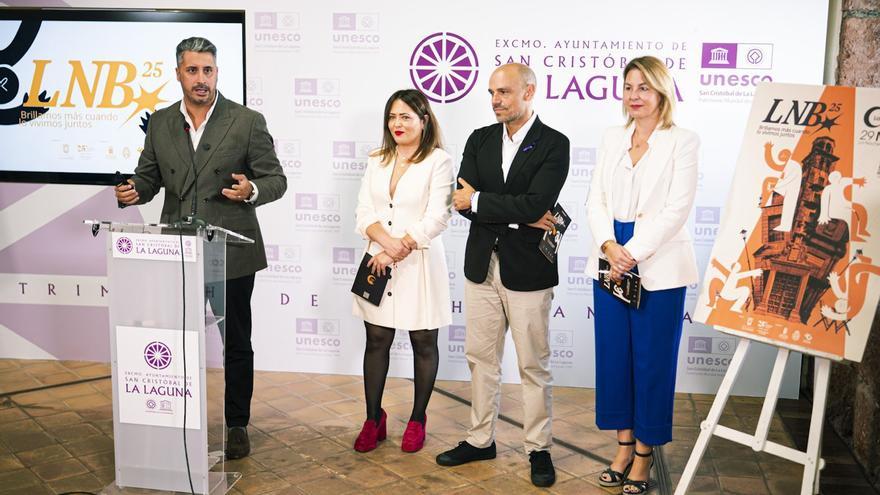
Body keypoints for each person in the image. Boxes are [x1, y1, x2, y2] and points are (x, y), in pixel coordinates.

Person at [114, 37, 287, 460]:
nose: (201, 79)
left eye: (207, 70)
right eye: (192, 70)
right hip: (176, 253)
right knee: (178, 340)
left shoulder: (246, 121)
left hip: (232, 252)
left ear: (217, 72)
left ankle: (237, 424)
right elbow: (148, 177)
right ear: (178, 73)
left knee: (237, 343)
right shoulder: (160, 123)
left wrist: (251, 190)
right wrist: (134, 190)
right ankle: (178, 416)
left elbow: (276, 180)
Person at [435, 63, 569, 488]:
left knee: (533, 365)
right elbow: (461, 202)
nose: (495, 100)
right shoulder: (480, 138)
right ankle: (480, 440)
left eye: (504, 92)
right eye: (492, 93)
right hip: (481, 266)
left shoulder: (555, 143)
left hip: (528, 269)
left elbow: (537, 205)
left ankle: (538, 448)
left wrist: (485, 202)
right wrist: (513, 212)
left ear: (529, 92)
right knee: (481, 359)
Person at [585, 55, 699, 494]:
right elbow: (595, 199)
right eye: (629, 87)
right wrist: (608, 246)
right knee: (614, 357)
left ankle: (645, 454)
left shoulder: (683, 141)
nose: (634, 95)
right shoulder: (611, 137)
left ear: (661, 91)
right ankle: (622, 447)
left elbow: (676, 209)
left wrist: (630, 252)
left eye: (644, 87)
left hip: (658, 263)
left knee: (652, 362)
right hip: (610, 255)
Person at [352, 89, 454, 453]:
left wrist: (399, 248)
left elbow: (438, 216)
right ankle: (372, 419)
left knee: (423, 342)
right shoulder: (377, 159)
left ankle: (417, 419)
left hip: (419, 263)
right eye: (392, 116)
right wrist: (385, 244)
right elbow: (364, 212)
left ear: (424, 121)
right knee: (376, 339)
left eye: (406, 117)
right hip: (377, 261)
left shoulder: (439, 161)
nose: (397, 123)